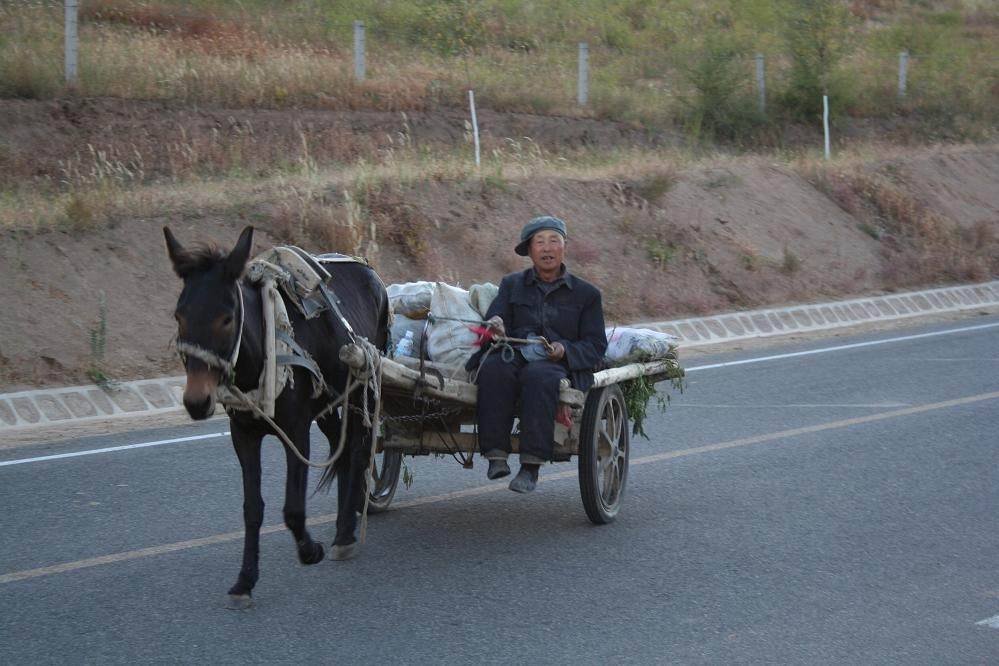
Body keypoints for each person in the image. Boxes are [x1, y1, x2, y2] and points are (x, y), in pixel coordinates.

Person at [465, 215, 607, 493]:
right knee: (494, 369)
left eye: (554, 241)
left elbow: (595, 345)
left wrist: (565, 349)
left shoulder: (587, 294)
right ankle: (496, 454)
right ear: (529, 250)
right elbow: (496, 316)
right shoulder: (511, 284)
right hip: (514, 352)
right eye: (539, 242)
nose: (546, 248)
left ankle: (531, 465)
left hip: (555, 363)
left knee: (540, 378)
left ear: (564, 247)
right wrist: (496, 325)